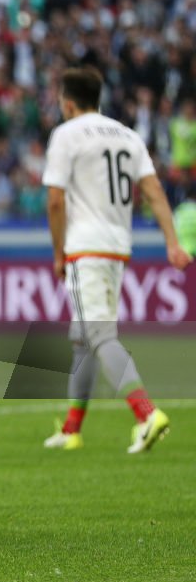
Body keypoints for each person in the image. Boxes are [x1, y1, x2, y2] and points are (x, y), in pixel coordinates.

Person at [42, 66, 190, 452]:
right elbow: (154, 189)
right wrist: (172, 242)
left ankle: (146, 414)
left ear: (69, 103)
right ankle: (72, 430)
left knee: (100, 336)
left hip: (84, 248)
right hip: (117, 247)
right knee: (83, 338)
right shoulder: (127, 135)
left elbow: (55, 200)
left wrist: (58, 252)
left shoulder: (66, 134)